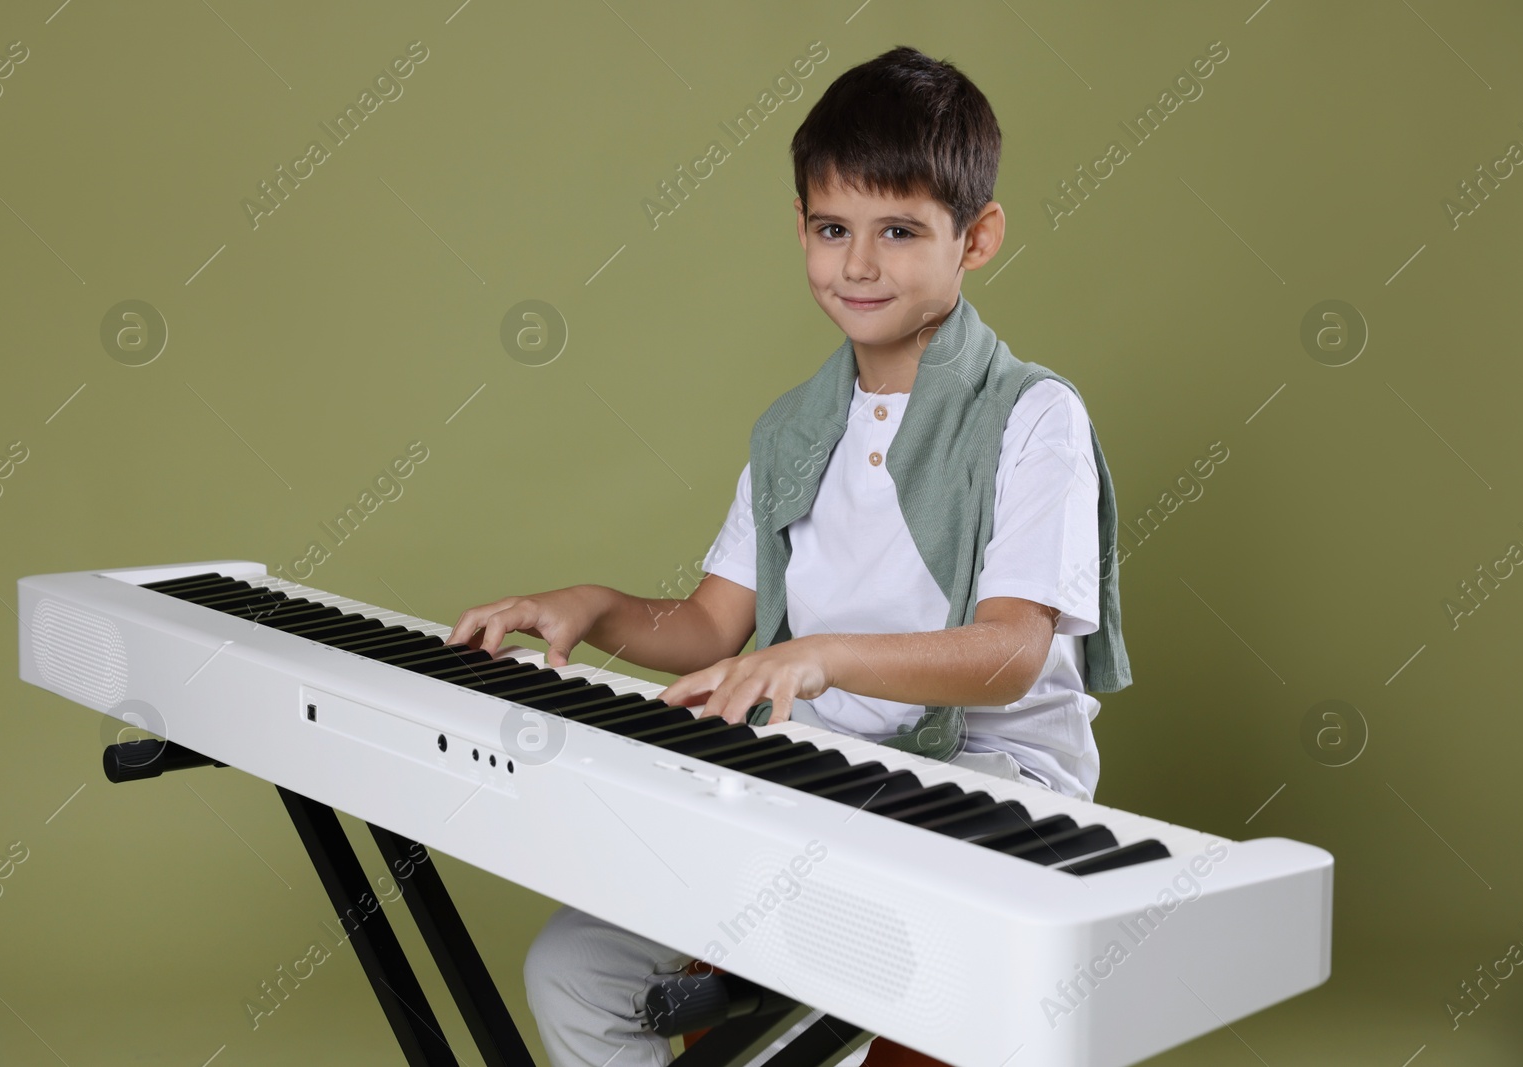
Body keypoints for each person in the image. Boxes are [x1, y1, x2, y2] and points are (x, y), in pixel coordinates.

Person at [447, 44, 1130, 1067]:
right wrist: (592, 605)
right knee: (574, 970)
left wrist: (820, 656)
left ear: (975, 237)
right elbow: (713, 626)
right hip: (823, 768)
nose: (857, 264)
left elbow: (1010, 654)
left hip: (987, 783)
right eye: (831, 229)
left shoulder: (1033, 415)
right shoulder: (792, 431)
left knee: (846, 987)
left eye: (898, 231)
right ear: (801, 232)